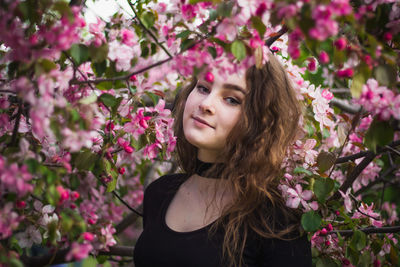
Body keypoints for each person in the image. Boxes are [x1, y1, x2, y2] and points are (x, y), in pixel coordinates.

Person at [133, 54, 312, 267]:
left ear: (261, 121)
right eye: (203, 88)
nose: (206, 104)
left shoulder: (275, 221)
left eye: (232, 100)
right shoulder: (159, 193)